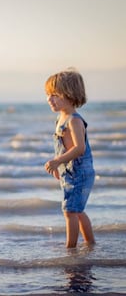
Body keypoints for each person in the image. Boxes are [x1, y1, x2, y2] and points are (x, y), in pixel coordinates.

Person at [43, 68, 95, 248]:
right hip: (69, 171)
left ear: (69, 94)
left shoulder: (74, 120)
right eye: (48, 95)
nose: (49, 99)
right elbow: (63, 148)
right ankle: (90, 244)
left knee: (70, 211)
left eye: (54, 95)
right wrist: (60, 166)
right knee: (77, 211)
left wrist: (58, 161)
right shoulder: (60, 119)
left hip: (79, 172)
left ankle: (70, 248)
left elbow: (79, 148)